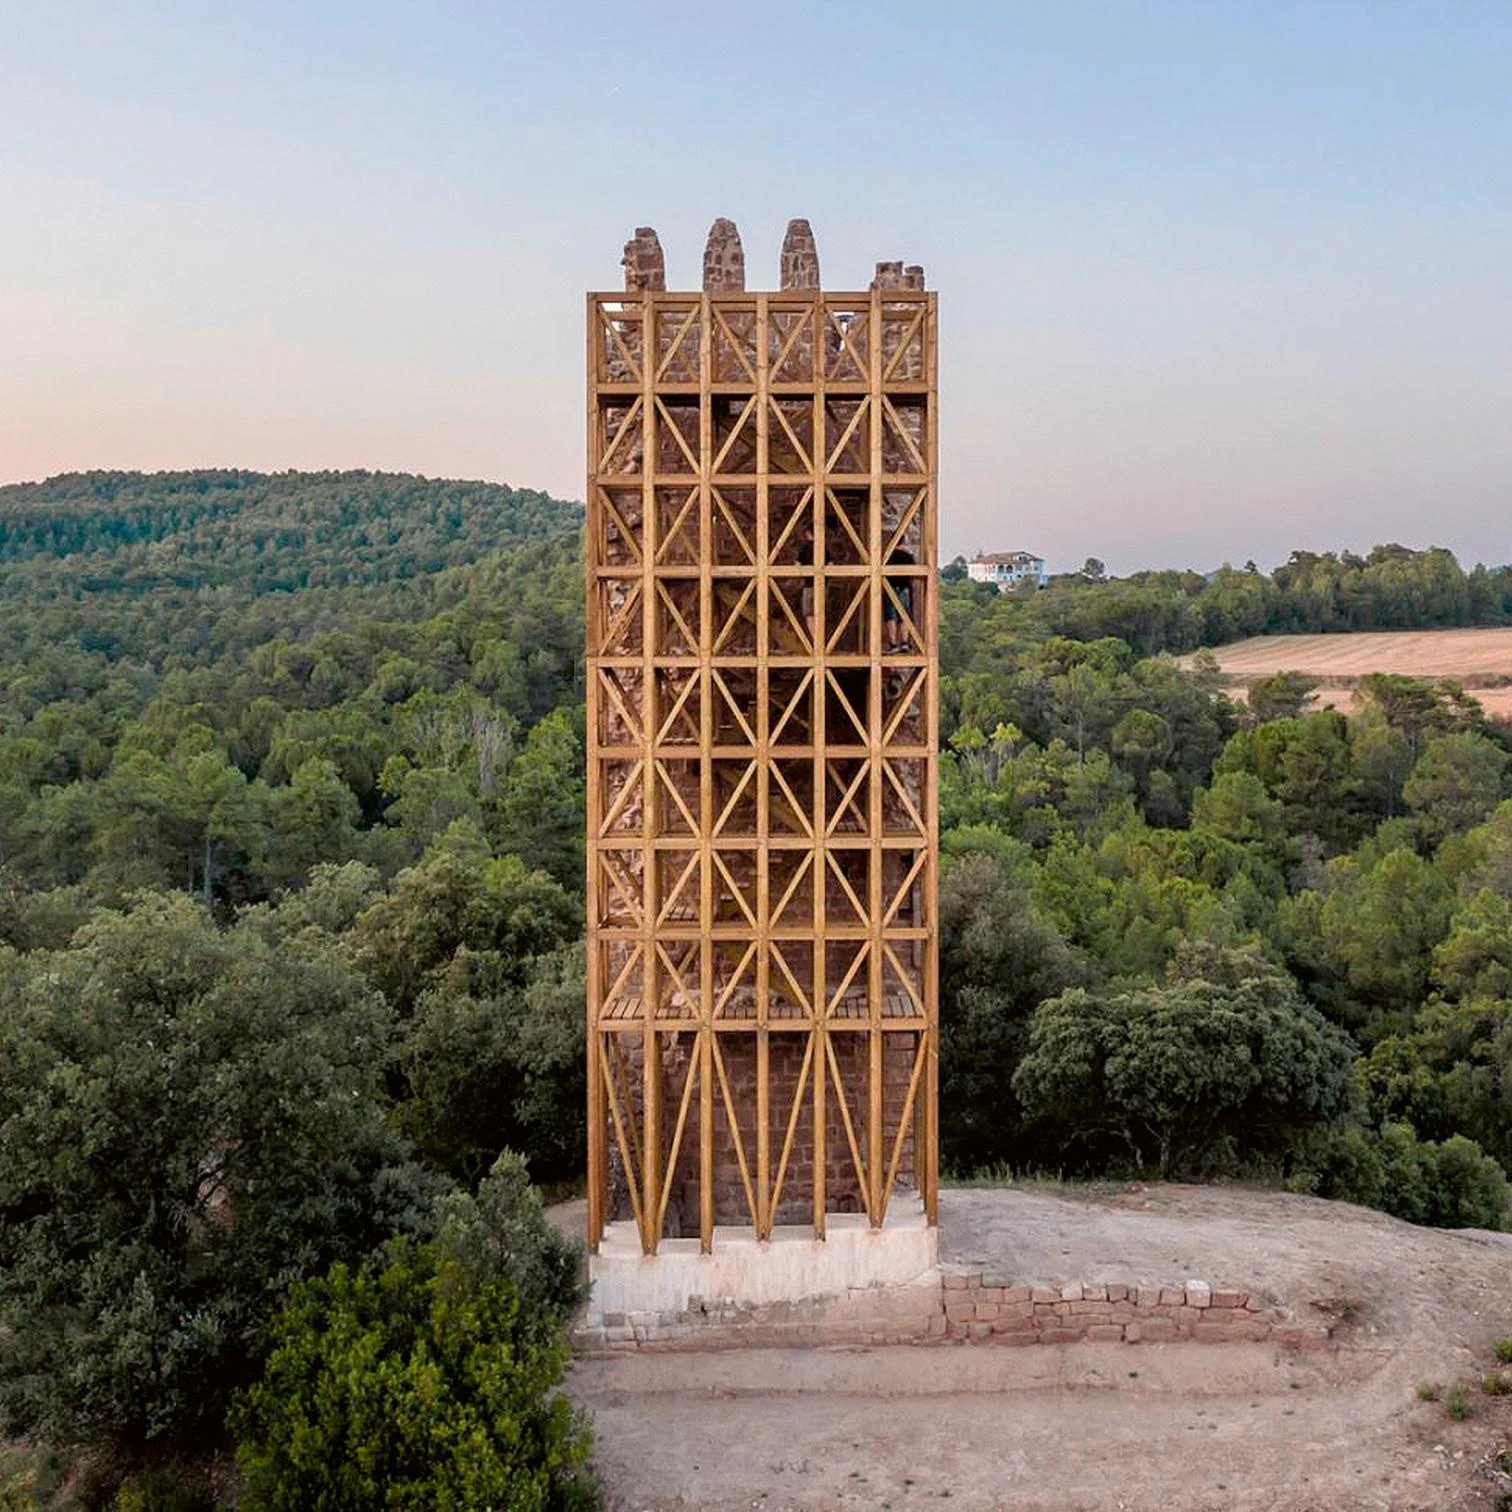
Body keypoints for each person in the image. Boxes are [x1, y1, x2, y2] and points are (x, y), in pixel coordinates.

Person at [883, 547, 915, 652]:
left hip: (890, 586)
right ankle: (904, 642)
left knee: (890, 615)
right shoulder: (907, 555)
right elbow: (913, 569)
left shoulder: (887, 555)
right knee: (904, 616)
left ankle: (893, 644)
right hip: (904, 587)